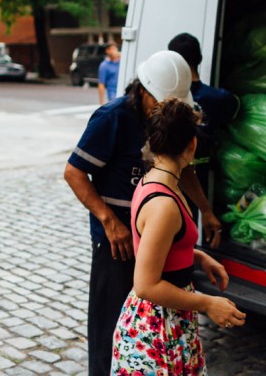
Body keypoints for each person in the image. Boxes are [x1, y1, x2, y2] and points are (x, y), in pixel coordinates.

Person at [64, 50, 223, 376]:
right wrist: (109, 222)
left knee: (152, 330)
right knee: (111, 333)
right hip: (118, 244)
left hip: (157, 239)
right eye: (163, 103)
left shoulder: (166, 127)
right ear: (144, 90)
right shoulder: (112, 117)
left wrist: (205, 211)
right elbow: (74, 173)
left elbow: (184, 167)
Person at [111, 98, 246, 374]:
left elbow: (162, 247)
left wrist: (196, 256)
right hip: (157, 330)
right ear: (192, 145)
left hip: (168, 321)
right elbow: (146, 284)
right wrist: (208, 303)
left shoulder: (157, 181)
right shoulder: (164, 205)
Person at [168, 33, 240, 199]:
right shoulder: (221, 98)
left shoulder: (164, 101)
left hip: (172, 178)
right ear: (199, 59)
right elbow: (237, 109)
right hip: (208, 177)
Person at [98, 41, 121, 105]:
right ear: (107, 51)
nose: (113, 51)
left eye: (114, 48)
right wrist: (101, 102)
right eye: (111, 49)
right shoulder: (104, 65)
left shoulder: (121, 61)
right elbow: (101, 84)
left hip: (123, 91)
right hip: (112, 95)